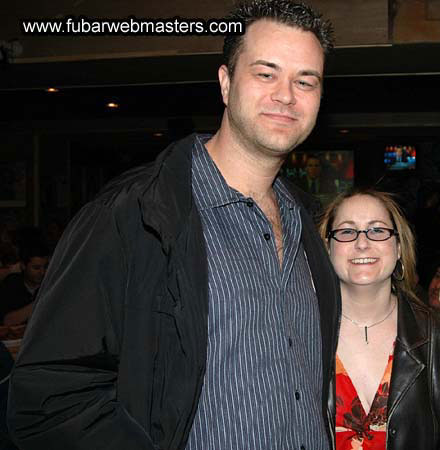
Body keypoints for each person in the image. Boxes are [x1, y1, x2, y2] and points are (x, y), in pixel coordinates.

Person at [8, 2, 340, 450]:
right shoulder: (132, 215)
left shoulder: (309, 226)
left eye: (306, 80)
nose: (286, 94)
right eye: (266, 73)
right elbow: (51, 400)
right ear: (225, 83)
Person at [318, 188, 440, 450]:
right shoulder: (299, 331)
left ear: (399, 247)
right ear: (328, 247)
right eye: (346, 231)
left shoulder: (437, 336)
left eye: (377, 230)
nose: (362, 242)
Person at [0, 243, 48, 326]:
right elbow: (7, 320)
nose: (43, 272)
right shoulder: (12, 283)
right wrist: (40, 303)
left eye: (46, 267)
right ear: (23, 266)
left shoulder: (49, 284)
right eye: (36, 268)